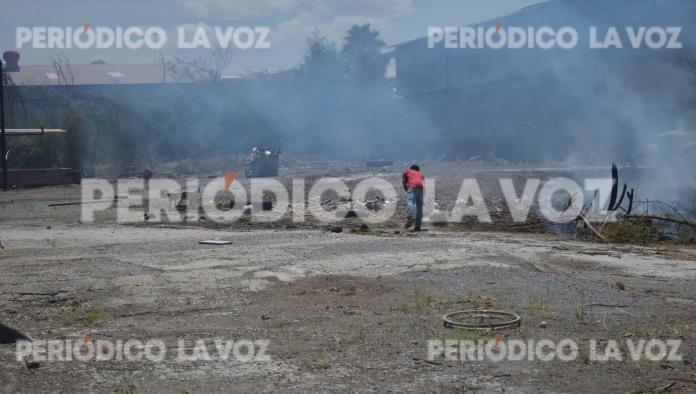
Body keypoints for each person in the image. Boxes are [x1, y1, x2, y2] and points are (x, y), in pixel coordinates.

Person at [402, 164, 424, 231]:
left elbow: (404, 182)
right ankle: (418, 226)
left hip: (412, 186)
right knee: (419, 208)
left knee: (410, 201)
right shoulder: (421, 174)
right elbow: (421, 182)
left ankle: (410, 217)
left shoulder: (407, 171)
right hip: (421, 188)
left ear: (411, 168)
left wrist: (406, 189)